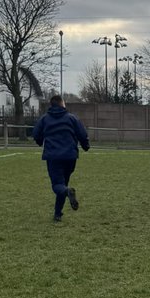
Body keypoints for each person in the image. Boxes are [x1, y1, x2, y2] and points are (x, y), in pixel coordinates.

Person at [31, 94, 90, 223]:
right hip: (70, 157)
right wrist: (85, 146)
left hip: (53, 157)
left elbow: (36, 134)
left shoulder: (45, 119)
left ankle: (65, 197)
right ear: (62, 104)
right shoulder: (72, 118)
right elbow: (82, 133)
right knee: (63, 185)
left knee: (58, 185)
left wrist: (40, 141)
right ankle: (58, 213)